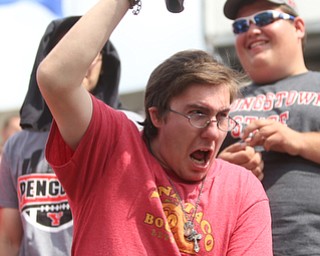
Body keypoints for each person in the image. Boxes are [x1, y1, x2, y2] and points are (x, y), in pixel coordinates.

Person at [36, 0, 272, 255]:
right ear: (156, 115)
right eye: (198, 114)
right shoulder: (110, 146)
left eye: (223, 115)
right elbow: (55, 78)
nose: (214, 131)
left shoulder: (242, 189)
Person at [0, 15, 143, 256]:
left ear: (103, 62)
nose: (77, 62)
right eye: (64, 52)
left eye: (88, 53)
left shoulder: (134, 129)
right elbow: (9, 239)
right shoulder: (17, 146)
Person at [219, 0, 320, 255]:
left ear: (298, 27)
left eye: (264, 19)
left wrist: (298, 141)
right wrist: (220, 170)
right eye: (241, 25)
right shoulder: (219, 100)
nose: (251, 30)